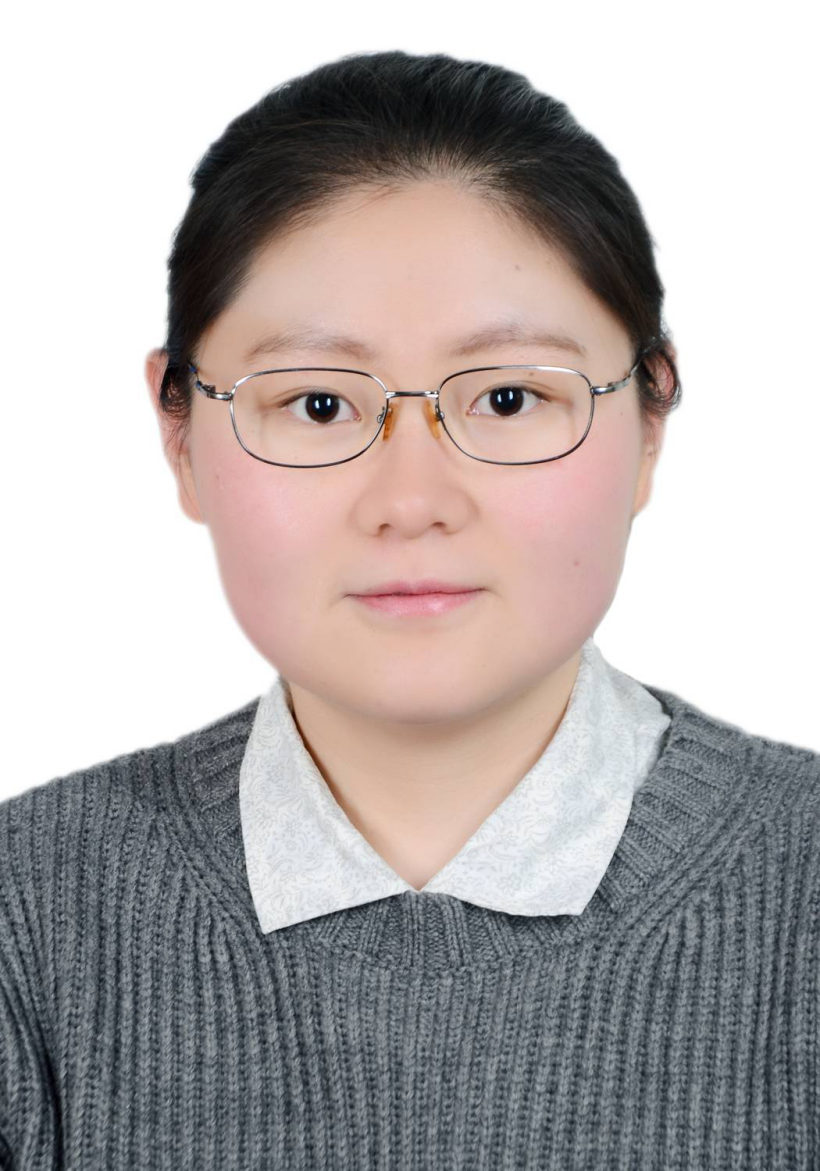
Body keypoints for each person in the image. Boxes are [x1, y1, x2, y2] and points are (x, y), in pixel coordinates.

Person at [1, 49, 817, 1170]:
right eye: (319, 405)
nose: (413, 500)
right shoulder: (26, 921)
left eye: (510, 397)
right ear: (178, 433)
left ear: (651, 422)